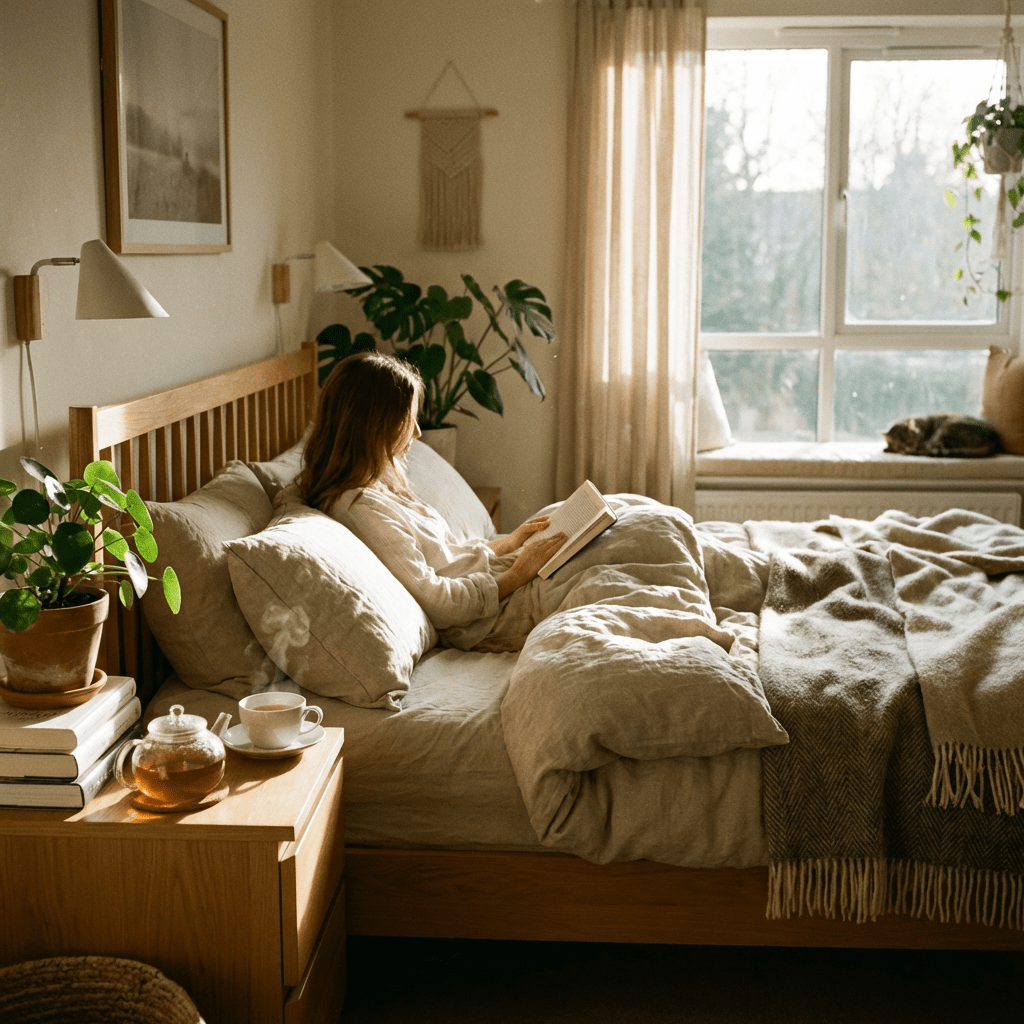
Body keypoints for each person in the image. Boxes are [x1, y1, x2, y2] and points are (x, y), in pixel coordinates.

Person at [299, 352, 566, 651]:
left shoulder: (374, 484)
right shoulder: (359, 509)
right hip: (485, 617)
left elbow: (445, 556)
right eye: (406, 420)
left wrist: (508, 544)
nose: (417, 432)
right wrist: (518, 574)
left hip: (490, 582)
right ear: (373, 427)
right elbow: (442, 603)